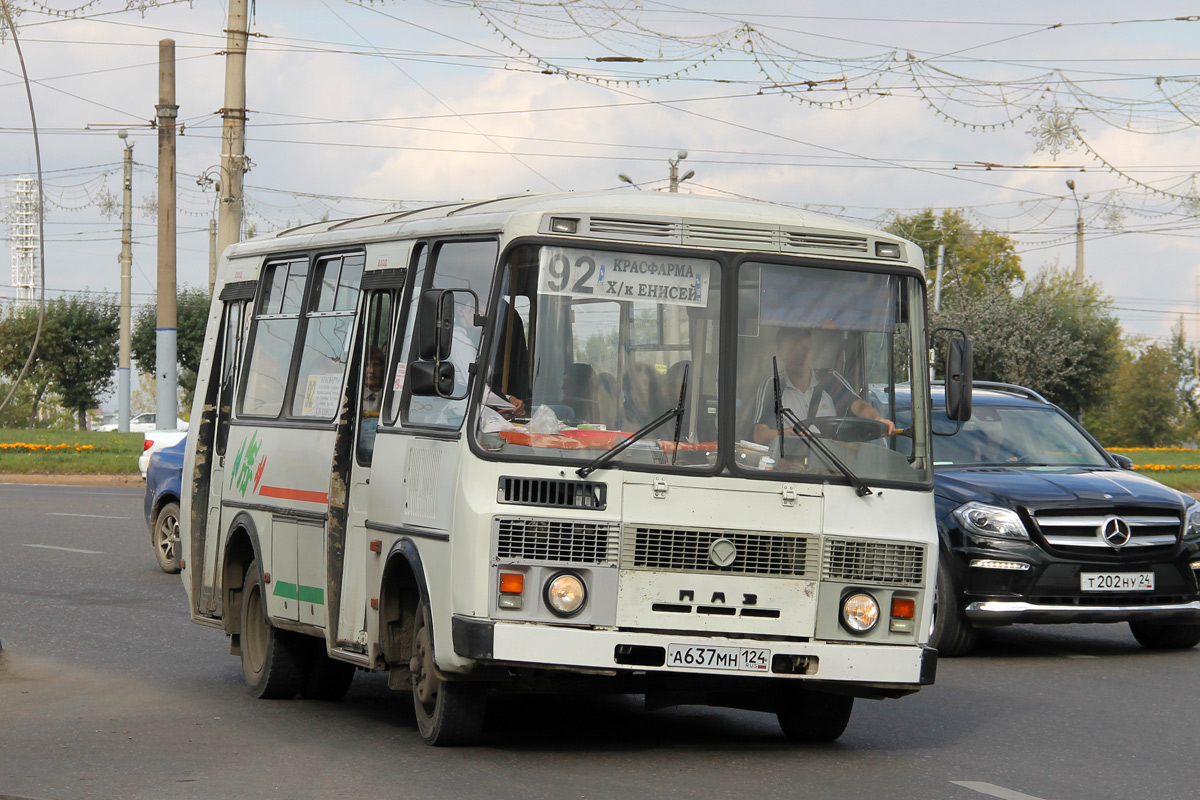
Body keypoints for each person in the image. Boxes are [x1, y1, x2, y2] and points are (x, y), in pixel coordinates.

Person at [752, 327, 894, 445]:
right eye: (792, 350)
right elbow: (759, 435)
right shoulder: (773, 385)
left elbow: (859, 406)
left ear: (812, 352)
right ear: (780, 354)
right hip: (787, 465)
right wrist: (788, 434)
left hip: (831, 464)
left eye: (804, 349)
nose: (800, 355)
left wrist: (878, 420)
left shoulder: (830, 379)